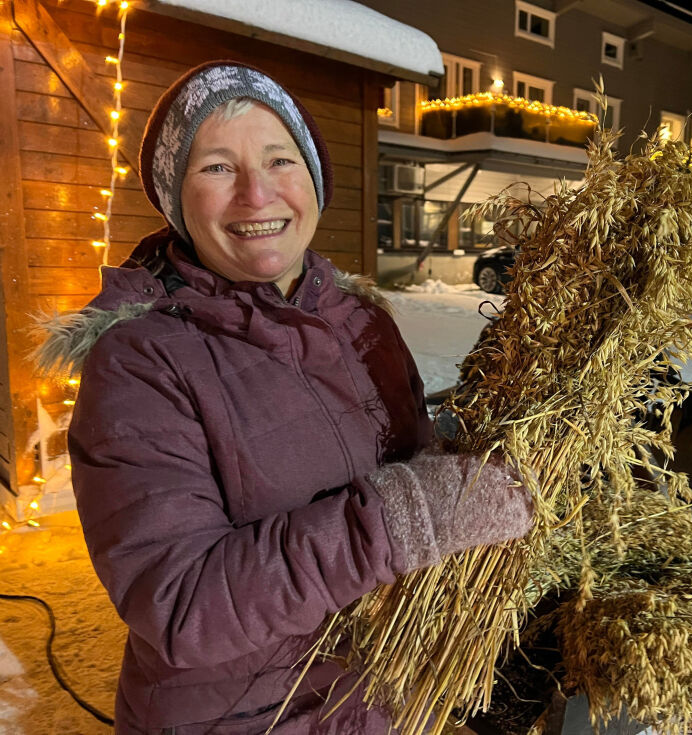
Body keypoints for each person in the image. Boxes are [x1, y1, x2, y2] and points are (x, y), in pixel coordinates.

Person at [36, 61, 534, 734]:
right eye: (215, 167)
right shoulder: (140, 361)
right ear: (175, 199)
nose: (256, 193)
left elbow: (409, 461)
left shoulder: (363, 319)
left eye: (280, 158)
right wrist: (404, 517)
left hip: (378, 700)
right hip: (241, 718)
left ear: (313, 179)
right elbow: (182, 606)